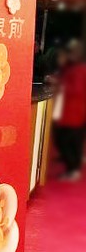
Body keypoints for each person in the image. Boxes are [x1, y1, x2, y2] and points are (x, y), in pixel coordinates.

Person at [54, 40, 86, 181]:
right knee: (73, 140)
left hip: (73, 112)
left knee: (65, 140)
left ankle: (73, 169)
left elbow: (76, 90)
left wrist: (59, 84)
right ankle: (74, 166)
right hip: (73, 112)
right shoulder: (73, 68)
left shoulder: (78, 69)